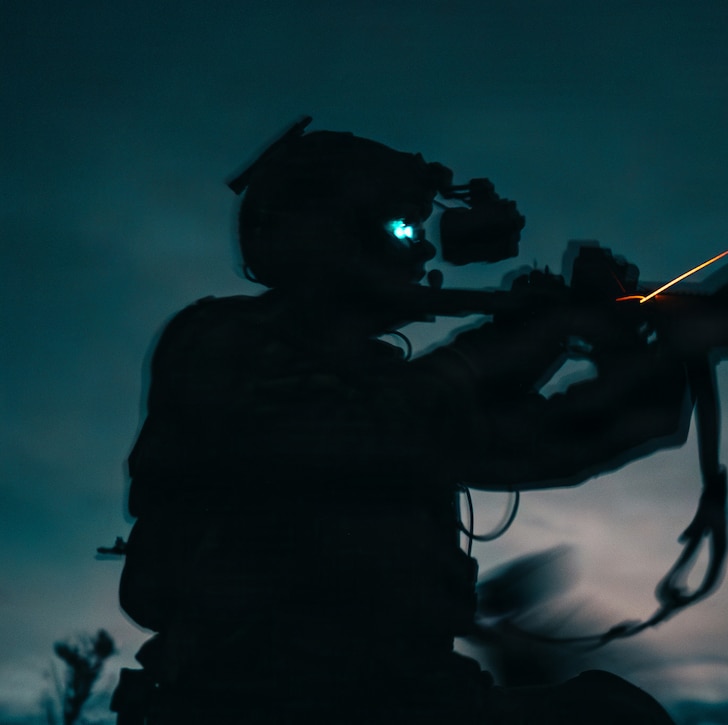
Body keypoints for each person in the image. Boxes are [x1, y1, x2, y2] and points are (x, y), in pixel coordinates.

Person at [111, 123, 694, 724]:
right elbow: (357, 427)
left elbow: (546, 444)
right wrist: (530, 339)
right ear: (329, 231)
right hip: (253, 700)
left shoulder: (391, 389)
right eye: (403, 228)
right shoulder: (218, 341)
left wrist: (653, 354)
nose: (421, 254)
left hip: (405, 697)